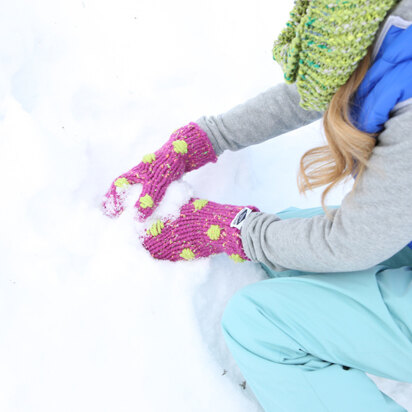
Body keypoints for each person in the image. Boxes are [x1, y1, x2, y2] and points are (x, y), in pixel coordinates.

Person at [102, 0, 412, 410]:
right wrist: (204, 139)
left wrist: (234, 230)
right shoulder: (395, 28)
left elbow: (350, 244)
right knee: (286, 243)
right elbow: (320, 88)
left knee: (259, 323)